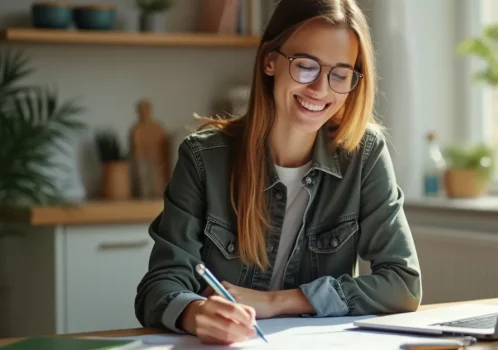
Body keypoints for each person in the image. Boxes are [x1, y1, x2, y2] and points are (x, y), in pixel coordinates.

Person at [134, 0, 422, 345]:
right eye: (305, 67)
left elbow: (403, 284)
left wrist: (277, 302)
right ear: (270, 61)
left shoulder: (364, 153)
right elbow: (159, 286)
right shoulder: (202, 158)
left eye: (340, 74)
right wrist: (196, 313)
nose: (320, 90)